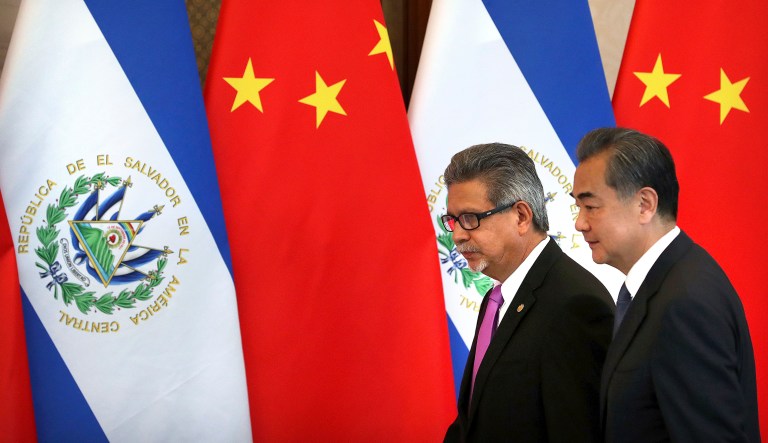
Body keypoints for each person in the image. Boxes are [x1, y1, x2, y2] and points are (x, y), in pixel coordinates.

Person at [572, 127, 760, 442]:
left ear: (645, 204)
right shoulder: (663, 285)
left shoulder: (685, 302)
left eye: (590, 206)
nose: (579, 223)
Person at [442, 143, 614, 442]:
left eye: (470, 218)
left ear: (521, 216)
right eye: (453, 220)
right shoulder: (497, 298)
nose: (457, 234)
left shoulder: (575, 305)